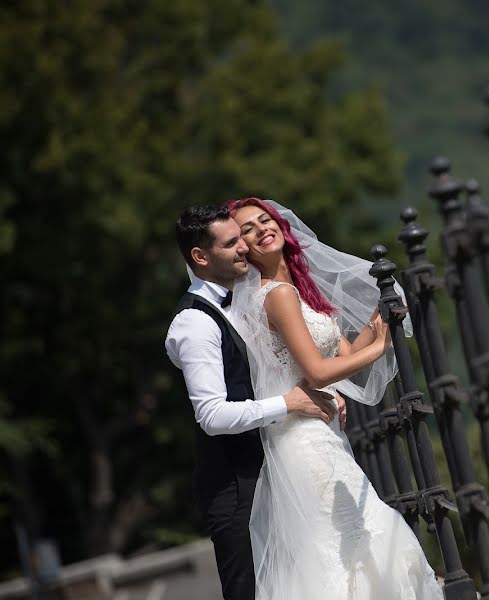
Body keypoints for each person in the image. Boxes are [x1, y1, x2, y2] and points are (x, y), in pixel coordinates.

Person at [227, 197, 443, 599]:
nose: (261, 230)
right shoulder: (276, 295)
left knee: (344, 545)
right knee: (361, 538)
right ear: (243, 247)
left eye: (264, 220)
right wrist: (379, 349)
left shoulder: (296, 290)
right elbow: (319, 372)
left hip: (320, 433)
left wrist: (381, 321)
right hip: (305, 441)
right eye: (248, 230)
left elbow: (343, 356)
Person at [165, 205, 346, 600]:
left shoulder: (238, 301)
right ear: (200, 257)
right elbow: (211, 415)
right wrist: (291, 403)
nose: (244, 247)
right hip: (235, 488)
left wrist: (319, 393)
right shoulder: (194, 322)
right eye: (231, 244)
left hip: (275, 472)